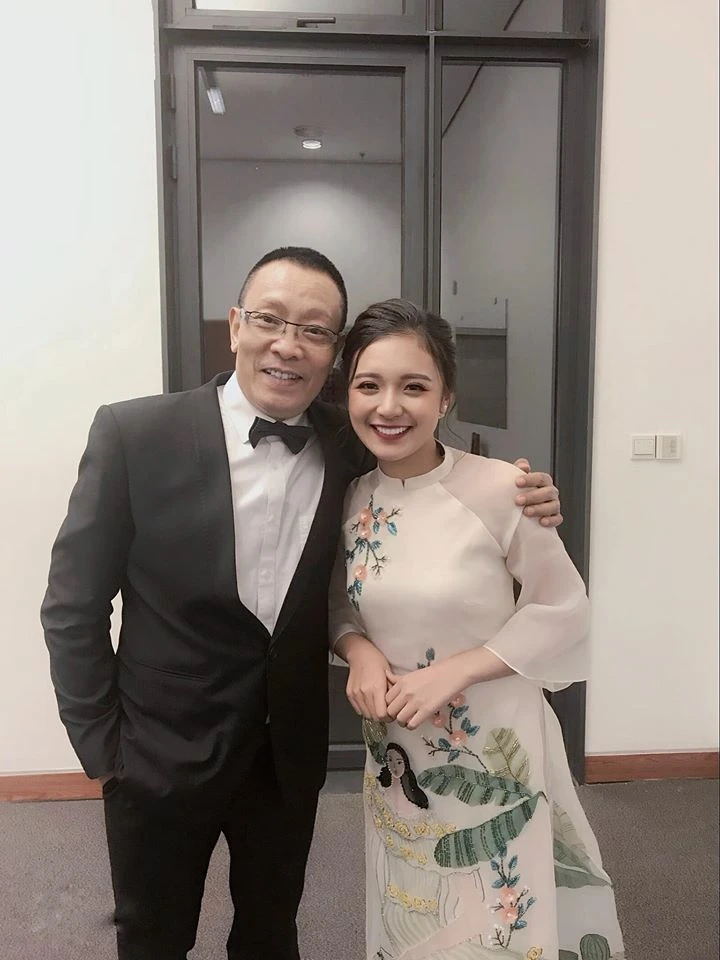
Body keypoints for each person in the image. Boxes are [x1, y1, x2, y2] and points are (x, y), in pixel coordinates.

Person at [41, 248, 564, 960]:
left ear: (333, 353)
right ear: (236, 325)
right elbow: (72, 605)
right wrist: (100, 748)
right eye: (270, 320)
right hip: (154, 753)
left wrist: (527, 489)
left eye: (315, 330)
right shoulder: (135, 435)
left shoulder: (354, 442)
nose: (289, 345)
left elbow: (434, 478)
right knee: (152, 937)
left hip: (285, 752)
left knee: (270, 934)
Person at [330, 299, 626, 960]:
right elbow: (339, 608)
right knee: (414, 900)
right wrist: (359, 651)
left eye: (414, 387)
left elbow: (562, 606)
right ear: (348, 393)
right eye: (369, 385)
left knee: (498, 906)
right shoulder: (351, 497)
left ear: (446, 398)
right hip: (398, 745)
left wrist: (456, 670)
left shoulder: (502, 489)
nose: (389, 406)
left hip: (492, 744)